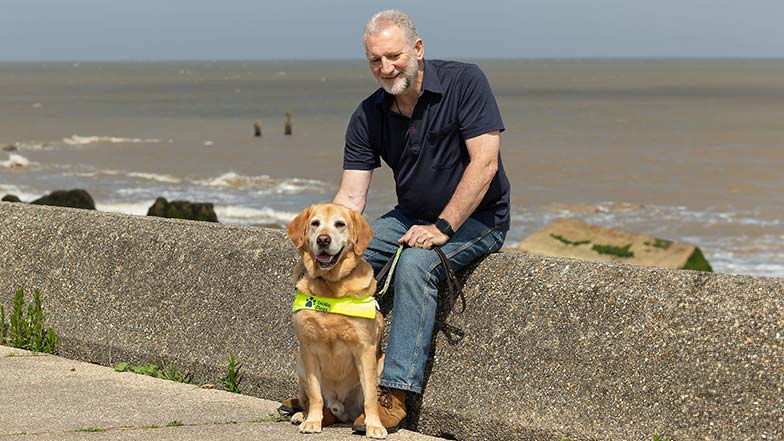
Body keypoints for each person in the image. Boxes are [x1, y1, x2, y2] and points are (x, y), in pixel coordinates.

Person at [282, 9, 511, 433]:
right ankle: (330, 395)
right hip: (410, 215)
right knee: (328, 263)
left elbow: (485, 164)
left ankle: (394, 392)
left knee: (415, 267)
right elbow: (350, 199)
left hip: (478, 218)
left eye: (394, 56)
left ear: (418, 50)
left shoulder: (465, 83)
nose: (386, 68)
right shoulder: (368, 115)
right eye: (375, 61)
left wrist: (442, 228)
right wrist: (322, 241)